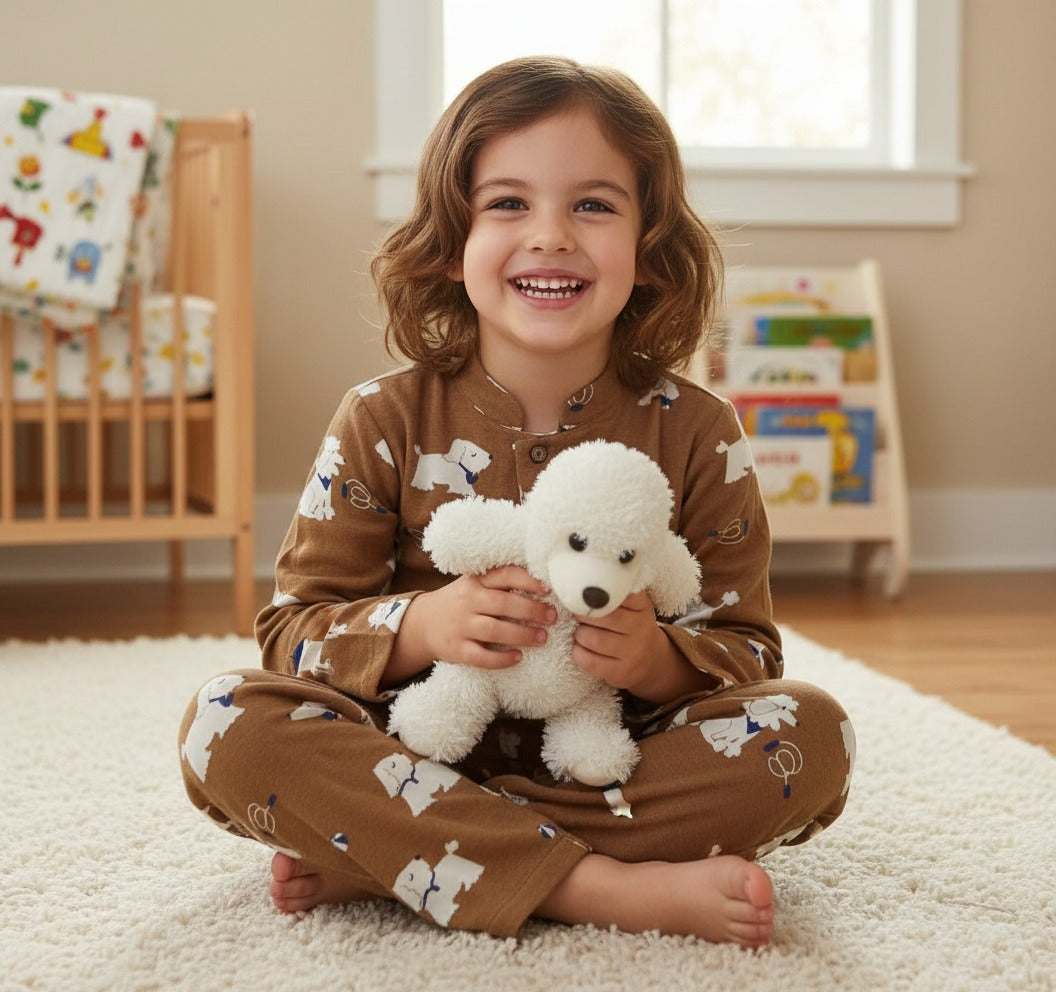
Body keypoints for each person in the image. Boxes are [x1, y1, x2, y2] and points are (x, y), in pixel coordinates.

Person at [178, 56, 854, 949]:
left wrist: (655, 661)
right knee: (227, 724)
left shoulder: (700, 431)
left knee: (811, 735)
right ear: (450, 241)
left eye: (594, 204)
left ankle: (397, 857)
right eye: (508, 203)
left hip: (613, 760)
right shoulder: (381, 417)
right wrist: (422, 626)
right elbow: (293, 634)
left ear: (649, 247)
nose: (551, 236)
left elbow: (749, 653)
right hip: (411, 752)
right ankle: (598, 885)